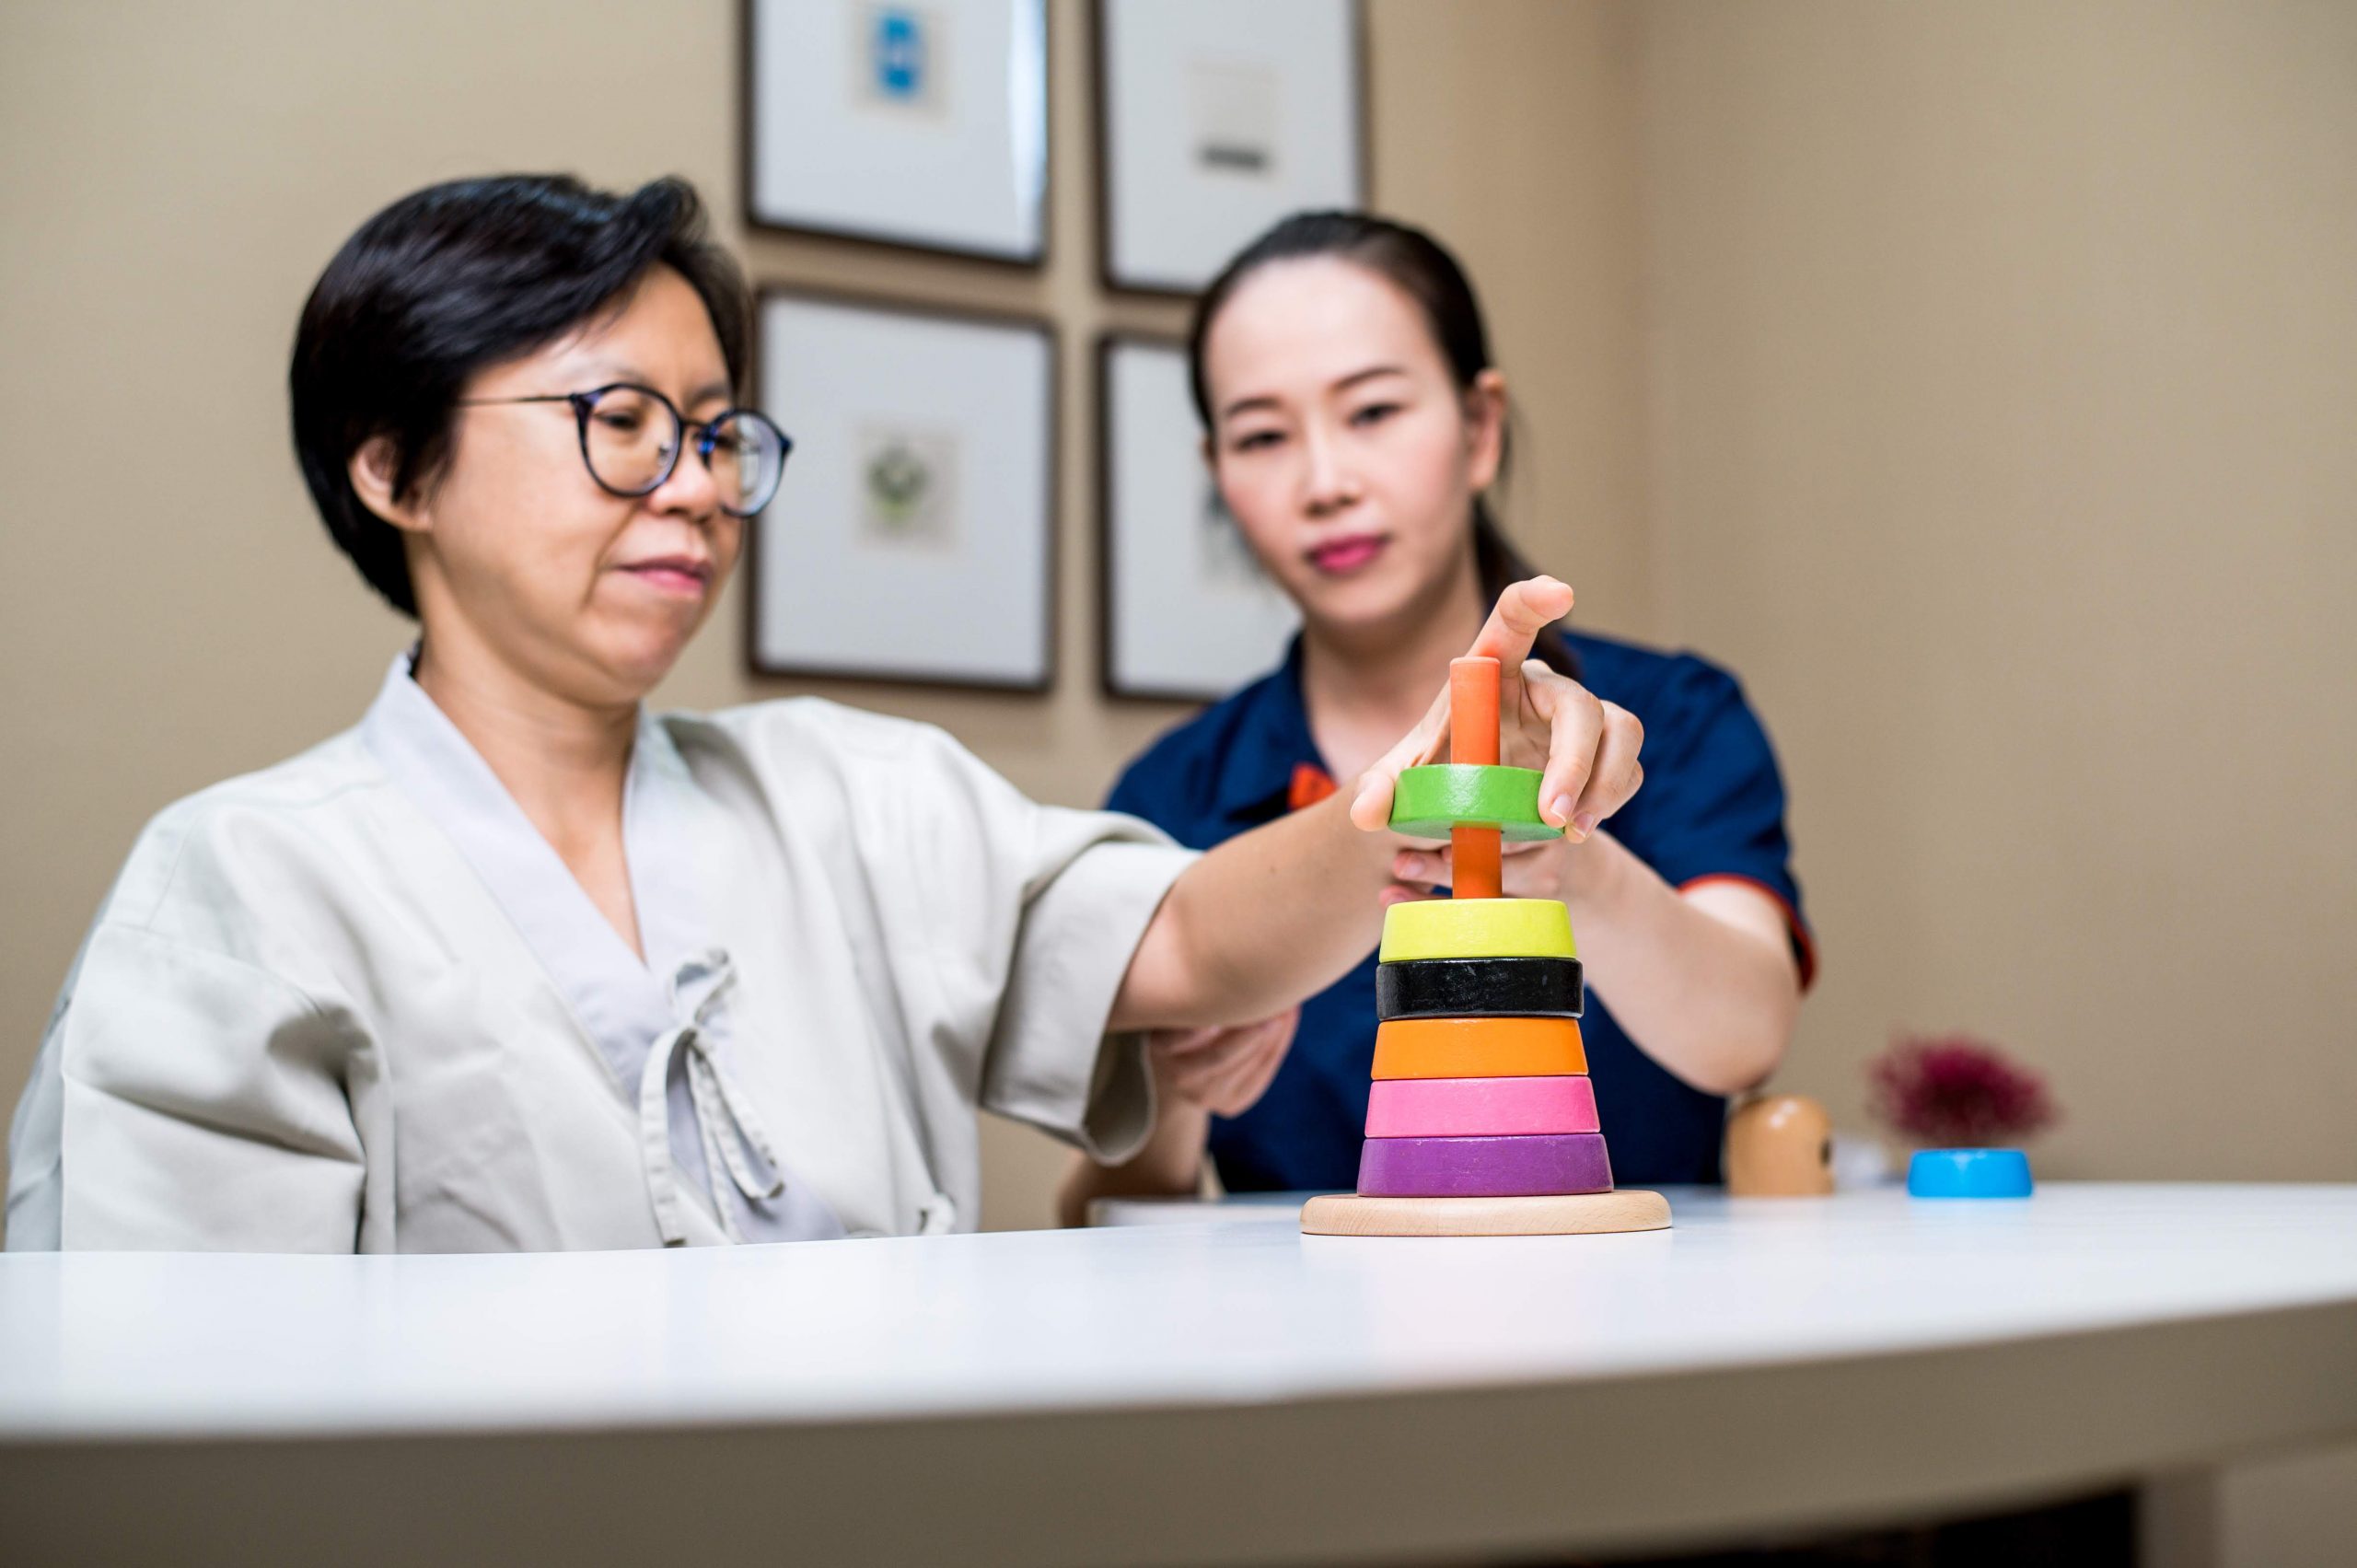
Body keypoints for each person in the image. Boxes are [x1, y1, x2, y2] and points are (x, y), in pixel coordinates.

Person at [5, 176, 1633, 1251]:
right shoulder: (237, 892)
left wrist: (1448, 771)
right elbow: (178, 1419)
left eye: (719, 435)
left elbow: (1195, 935)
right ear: (393, 468)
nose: (693, 487)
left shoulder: (857, 790)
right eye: (622, 422)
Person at [1062, 213, 1811, 1220]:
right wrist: (1176, 1087)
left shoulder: (1676, 715)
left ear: (1479, 428)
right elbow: (1105, 1209)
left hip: (1636, 1290)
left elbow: (1747, 1034)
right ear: (1218, 474)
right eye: (1262, 436)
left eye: (1372, 411)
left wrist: (1563, 849)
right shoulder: (1174, 791)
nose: (1325, 483)